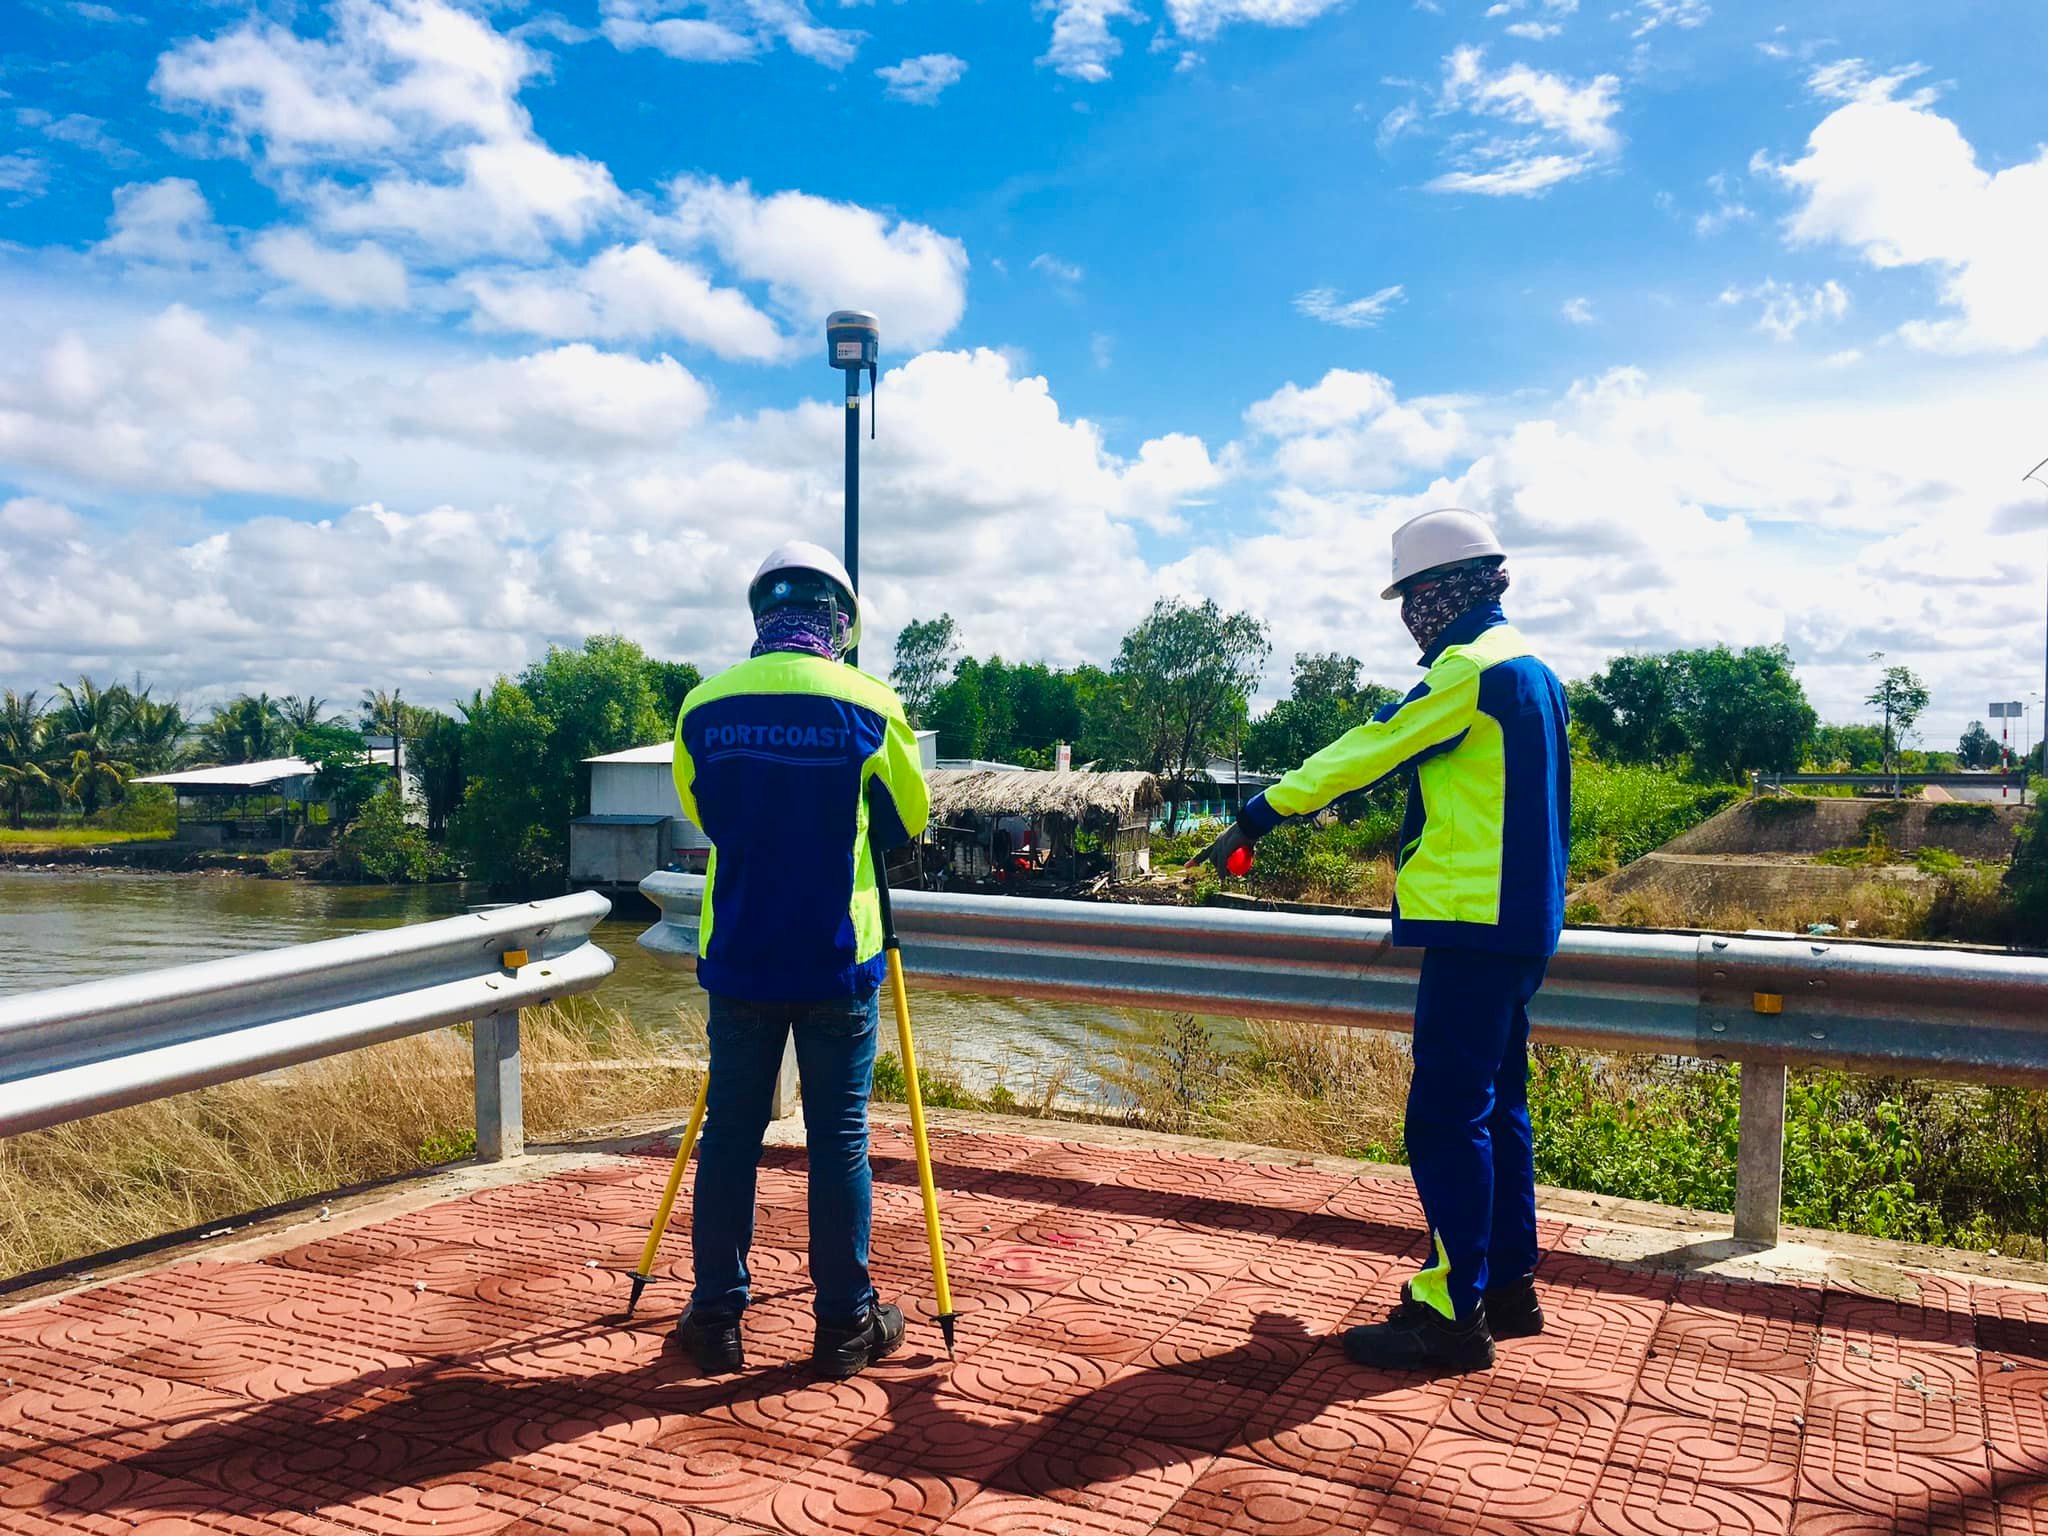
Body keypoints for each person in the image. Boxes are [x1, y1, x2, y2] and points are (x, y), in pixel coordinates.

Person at [1191, 508, 1569, 1375]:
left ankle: (1450, 1314)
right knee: (1498, 1108)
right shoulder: (1535, 670)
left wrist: (1260, 812)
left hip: (1473, 925)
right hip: (1523, 923)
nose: (1410, 616)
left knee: (1445, 1119)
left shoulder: (1471, 672)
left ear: (1443, 591)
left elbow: (1372, 747)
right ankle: (1506, 1288)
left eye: (1413, 598)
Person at [670, 540, 930, 1380]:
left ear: (759, 614)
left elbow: (703, 811)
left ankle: (716, 1320)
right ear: (840, 621)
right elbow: (908, 820)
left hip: (741, 953)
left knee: (729, 1137)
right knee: (839, 1140)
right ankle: (847, 1325)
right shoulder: (871, 703)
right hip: (836, 957)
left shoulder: (703, 706)